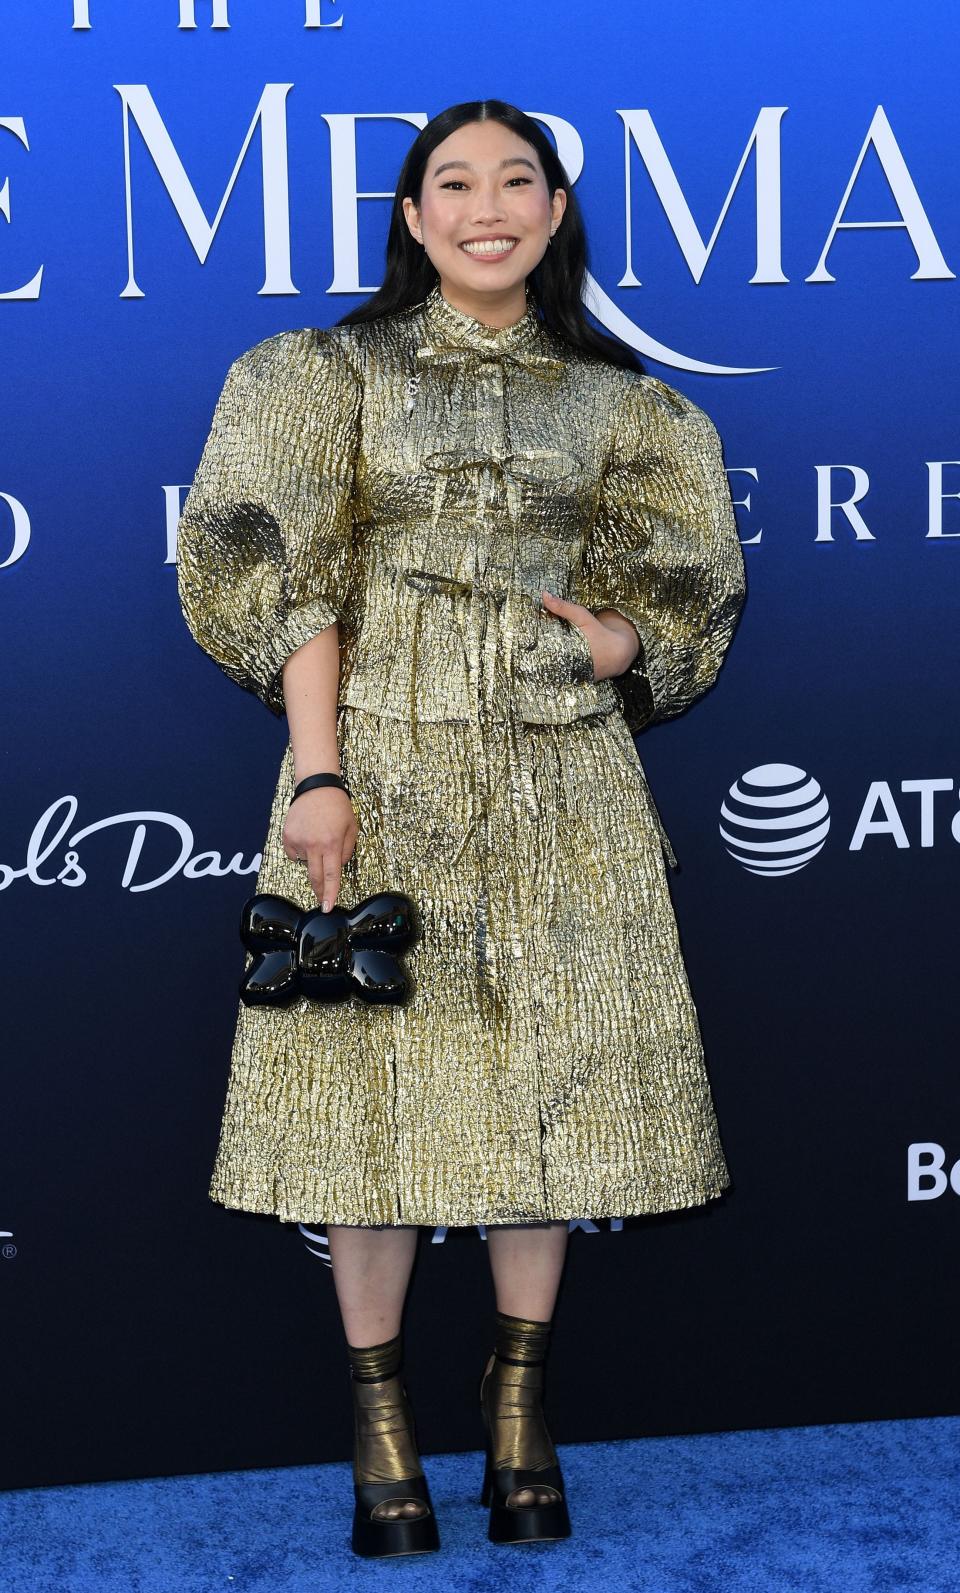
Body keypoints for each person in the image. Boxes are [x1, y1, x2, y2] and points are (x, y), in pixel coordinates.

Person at [176, 98, 746, 1560]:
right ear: (415, 217)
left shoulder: (626, 402)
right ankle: (379, 1433)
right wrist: (318, 775)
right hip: (380, 775)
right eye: (454, 182)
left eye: (518, 181)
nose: (487, 205)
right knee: (371, 1112)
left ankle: (517, 1414)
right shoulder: (323, 375)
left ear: (555, 215)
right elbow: (281, 574)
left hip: (565, 785)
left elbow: (686, 581)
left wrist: (623, 642)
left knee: (547, 1099)